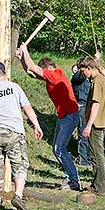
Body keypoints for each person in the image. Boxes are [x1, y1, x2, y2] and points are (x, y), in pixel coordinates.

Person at [0, 62, 43, 210]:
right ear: (5, 72)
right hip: (14, 131)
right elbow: (27, 108)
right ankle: (18, 195)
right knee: (19, 163)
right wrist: (37, 126)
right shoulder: (14, 87)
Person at [15, 43, 81, 191]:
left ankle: (74, 180)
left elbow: (33, 67)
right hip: (63, 115)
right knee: (56, 149)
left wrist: (25, 51)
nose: (43, 73)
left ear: (49, 68)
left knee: (59, 148)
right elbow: (31, 73)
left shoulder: (55, 74)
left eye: (44, 70)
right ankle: (71, 177)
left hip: (69, 115)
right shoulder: (51, 76)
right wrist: (21, 59)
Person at [78, 57, 105, 196]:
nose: (82, 74)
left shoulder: (97, 81)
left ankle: (100, 187)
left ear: (89, 68)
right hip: (101, 122)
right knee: (97, 155)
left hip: (97, 124)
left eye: (83, 71)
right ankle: (96, 183)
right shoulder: (102, 79)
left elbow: (95, 105)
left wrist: (88, 125)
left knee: (96, 156)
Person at [70, 60, 91, 166]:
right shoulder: (78, 76)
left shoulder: (89, 77)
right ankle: (83, 159)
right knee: (83, 133)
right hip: (81, 106)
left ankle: (88, 157)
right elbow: (80, 77)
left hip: (89, 106)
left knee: (89, 134)